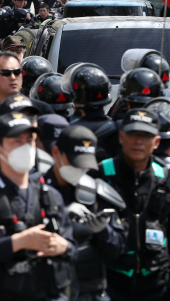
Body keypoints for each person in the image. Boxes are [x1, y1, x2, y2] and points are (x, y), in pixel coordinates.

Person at [0, 113, 76, 301]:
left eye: (29, 140)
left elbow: (72, 247)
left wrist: (64, 247)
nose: (25, 147)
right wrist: (17, 242)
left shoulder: (50, 196)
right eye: (16, 141)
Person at [93, 108, 170, 301]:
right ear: (121, 137)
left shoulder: (165, 177)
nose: (138, 141)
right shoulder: (101, 174)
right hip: (112, 282)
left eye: (145, 136)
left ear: (156, 142)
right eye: (133, 134)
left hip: (157, 282)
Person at [44, 125, 127, 301]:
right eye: (74, 162)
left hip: (90, 290)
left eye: (84, 165)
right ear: (56, 153)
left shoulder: (95, 191)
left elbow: (118, 249)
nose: (79, 170)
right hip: (49, 289)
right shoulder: (37, 189)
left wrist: (102, 230)